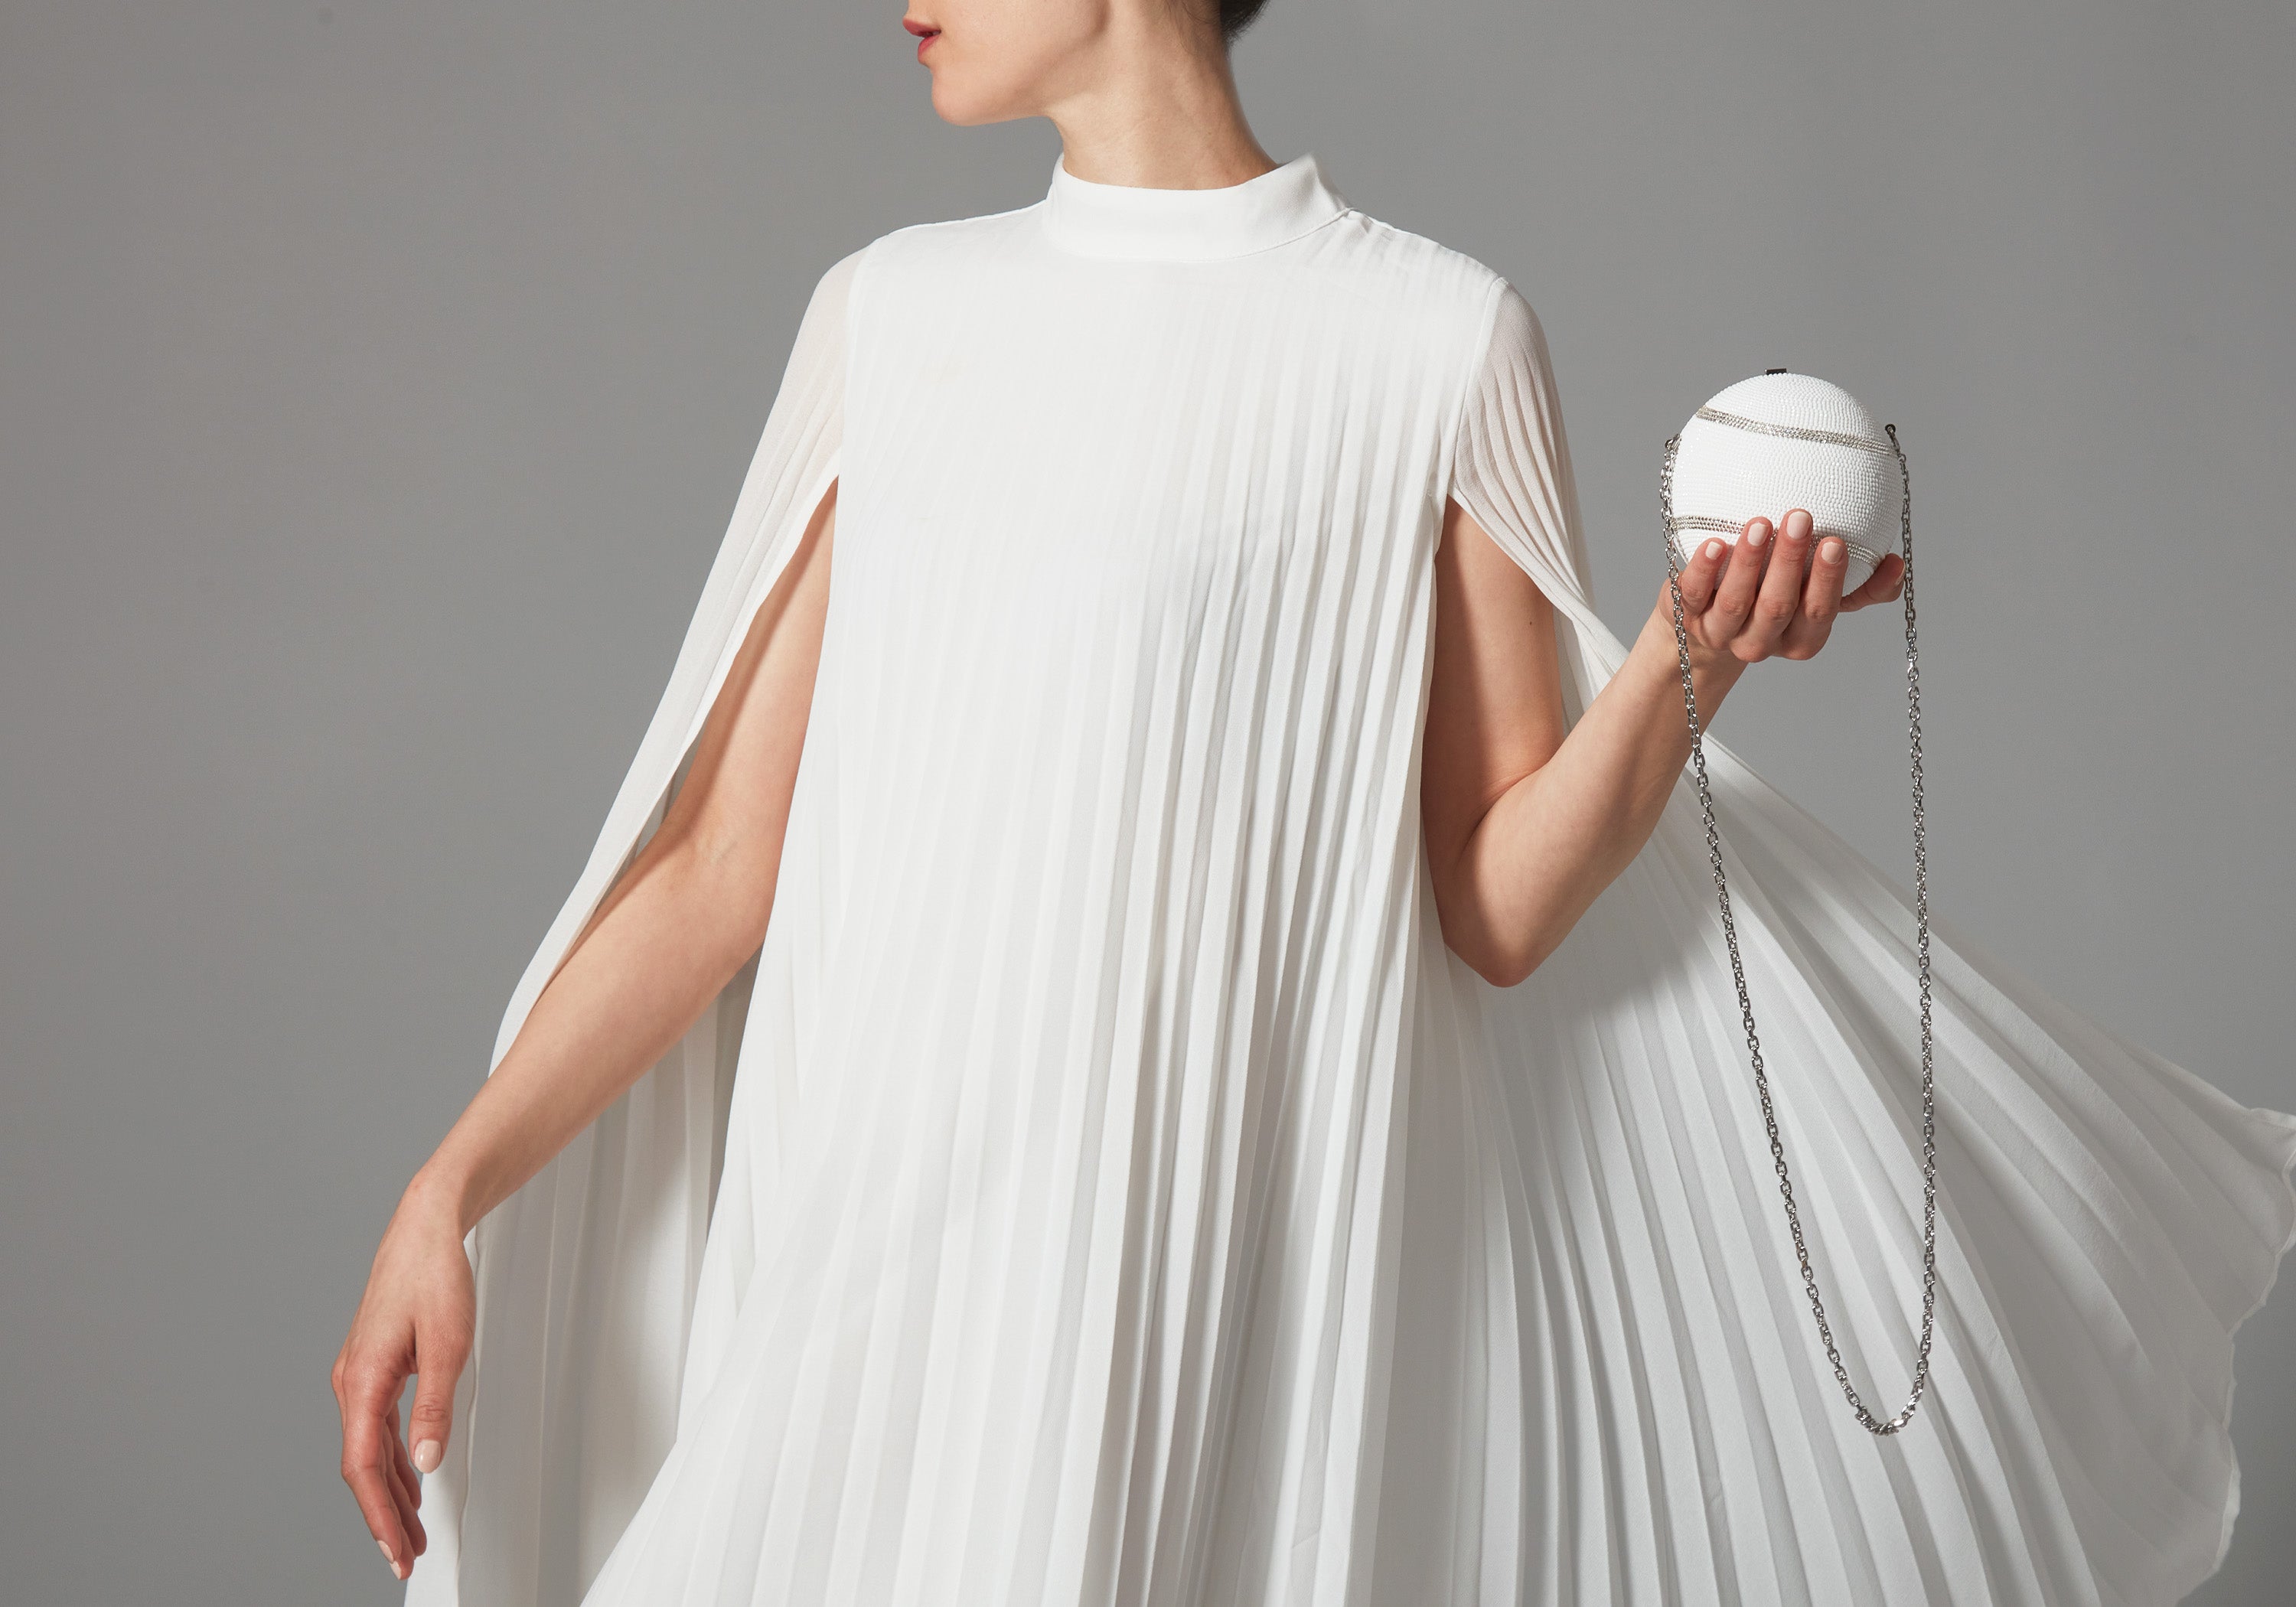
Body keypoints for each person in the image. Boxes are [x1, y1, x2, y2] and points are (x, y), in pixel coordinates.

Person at [334, 2, 2296, 1602]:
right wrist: (451, 1190)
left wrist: (1688, 661)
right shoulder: (892, 313)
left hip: (1151, 1317)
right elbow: (715, 868)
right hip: (840, 1275)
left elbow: (1494, 905)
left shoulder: (1433, 340)